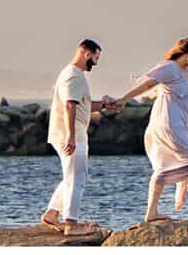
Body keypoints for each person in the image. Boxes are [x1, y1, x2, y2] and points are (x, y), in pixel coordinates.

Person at [103, 36, 188, 222]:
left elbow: (187, 103)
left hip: (179, 125)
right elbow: (148, 84)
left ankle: (152, 213)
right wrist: (124, 99)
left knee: (166, 167)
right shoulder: (170, 68)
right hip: (166, 124)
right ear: (186, 54)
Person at [40, 38, 104, 234]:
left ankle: (52, 214)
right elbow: (70, 104)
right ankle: (71, 224)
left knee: (72, 177)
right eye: (96, 57)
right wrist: (71, 136)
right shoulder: (74, 76)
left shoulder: (72, 74)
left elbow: (82, 104)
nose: (97, 62)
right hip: (72, 134)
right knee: (77, 179)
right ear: (87, 54)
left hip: (71, 132)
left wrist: (105, 105)